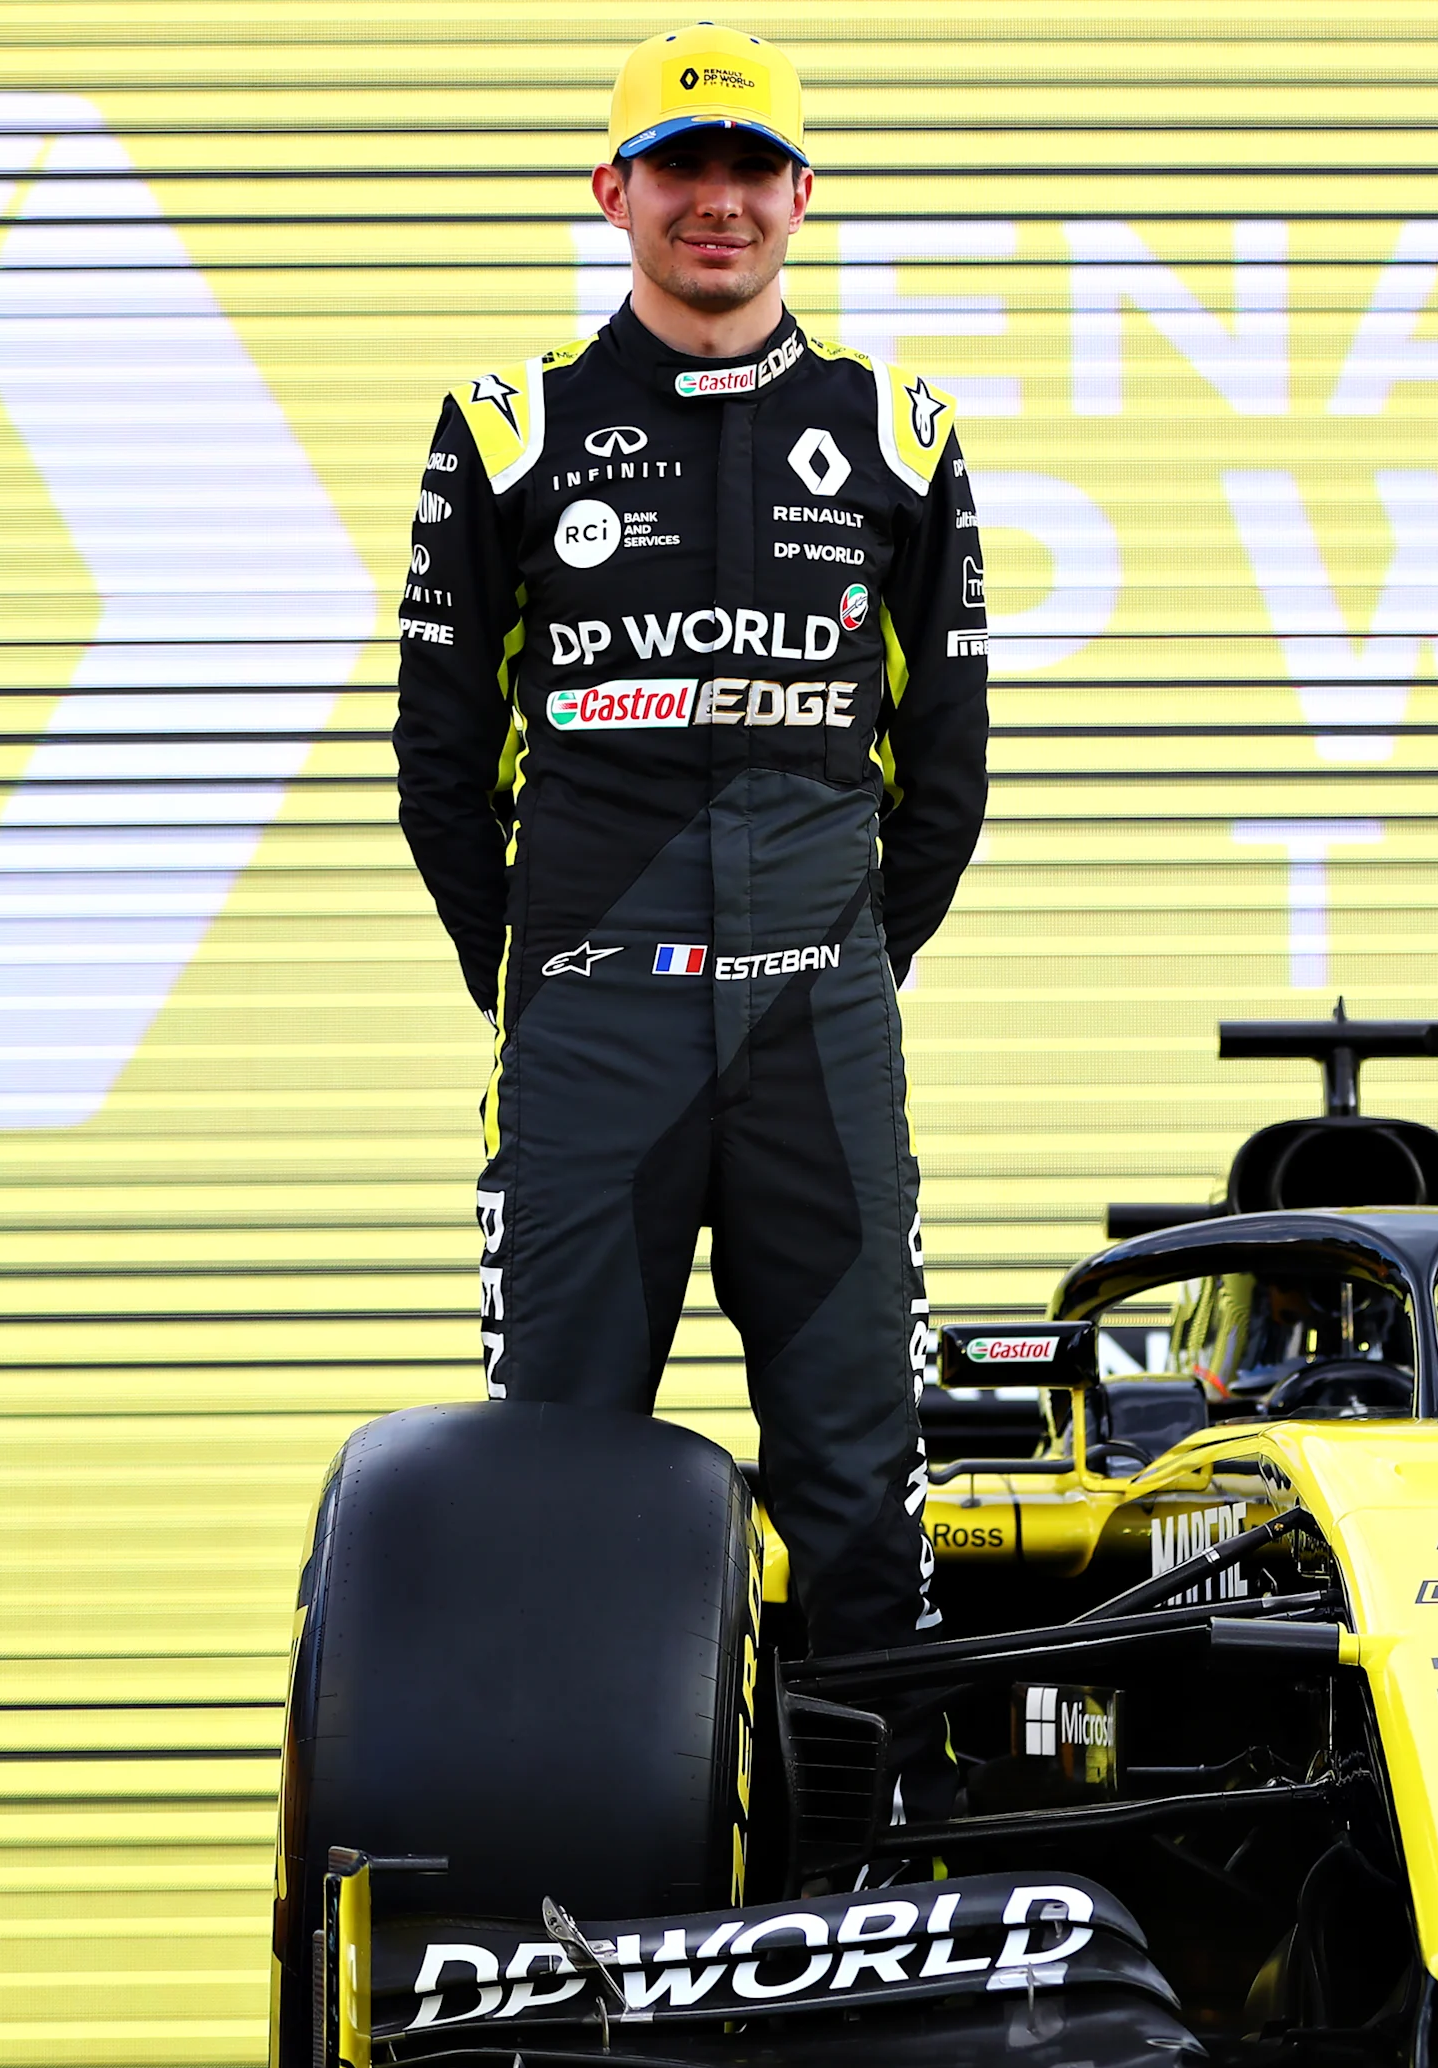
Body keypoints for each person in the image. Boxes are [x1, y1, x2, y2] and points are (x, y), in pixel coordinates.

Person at [394, 23, 989, 1726]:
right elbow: (440, 767)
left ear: (802, 195)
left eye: (750, 168)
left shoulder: (898, 433)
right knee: (558, 1492)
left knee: (863, 1492)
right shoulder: (510, 428)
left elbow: (947, 772)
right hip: (591, 1040)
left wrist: (835, 959)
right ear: (614, 192)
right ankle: (559, 1867)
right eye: (680, 168)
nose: (716, 201)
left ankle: (883, 1854)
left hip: (818, 1036)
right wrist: (548, 974)